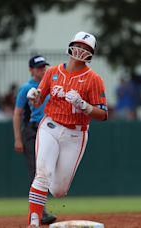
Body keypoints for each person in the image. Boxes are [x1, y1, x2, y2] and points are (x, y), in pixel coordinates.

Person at [25, 31, 108, 228]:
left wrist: (84, 105)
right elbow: (38, 102)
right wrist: (33, 95)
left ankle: (49, 185)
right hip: (50, 127)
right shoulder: (52, 72)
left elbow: (103, 114)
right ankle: (34, 222)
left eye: (86, 48)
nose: (81, 50)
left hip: (76, 134)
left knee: (59, 191)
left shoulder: (93, 79)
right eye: (78, 45)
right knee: (42, 173)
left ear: (91, 53)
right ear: (71, 46)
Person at [13, 55, 56, 225]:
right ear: (31, 70)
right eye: (38, 68)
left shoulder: (51, 85)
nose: (42, 70)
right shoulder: (26, 88)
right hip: (32, 131)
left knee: (48, 170)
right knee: (37, 171)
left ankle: (40, 211)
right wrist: (17, 138)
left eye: (44, 67)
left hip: (51, 131)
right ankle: (40, 212)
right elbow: (17, 113)